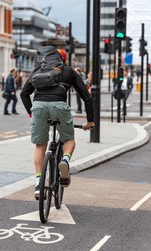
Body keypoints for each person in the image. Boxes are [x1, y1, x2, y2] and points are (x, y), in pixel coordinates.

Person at [20, 48, 95, 199]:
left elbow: (24, 93)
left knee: (40, 145)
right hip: (59, 106)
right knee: (68, 139)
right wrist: (90, 121)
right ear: (64, 60)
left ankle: (38, 184)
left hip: (39, 107)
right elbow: (86, 97)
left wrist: (31, 113)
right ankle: (65, 160)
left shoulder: (38, 69)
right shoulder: (68, 70)